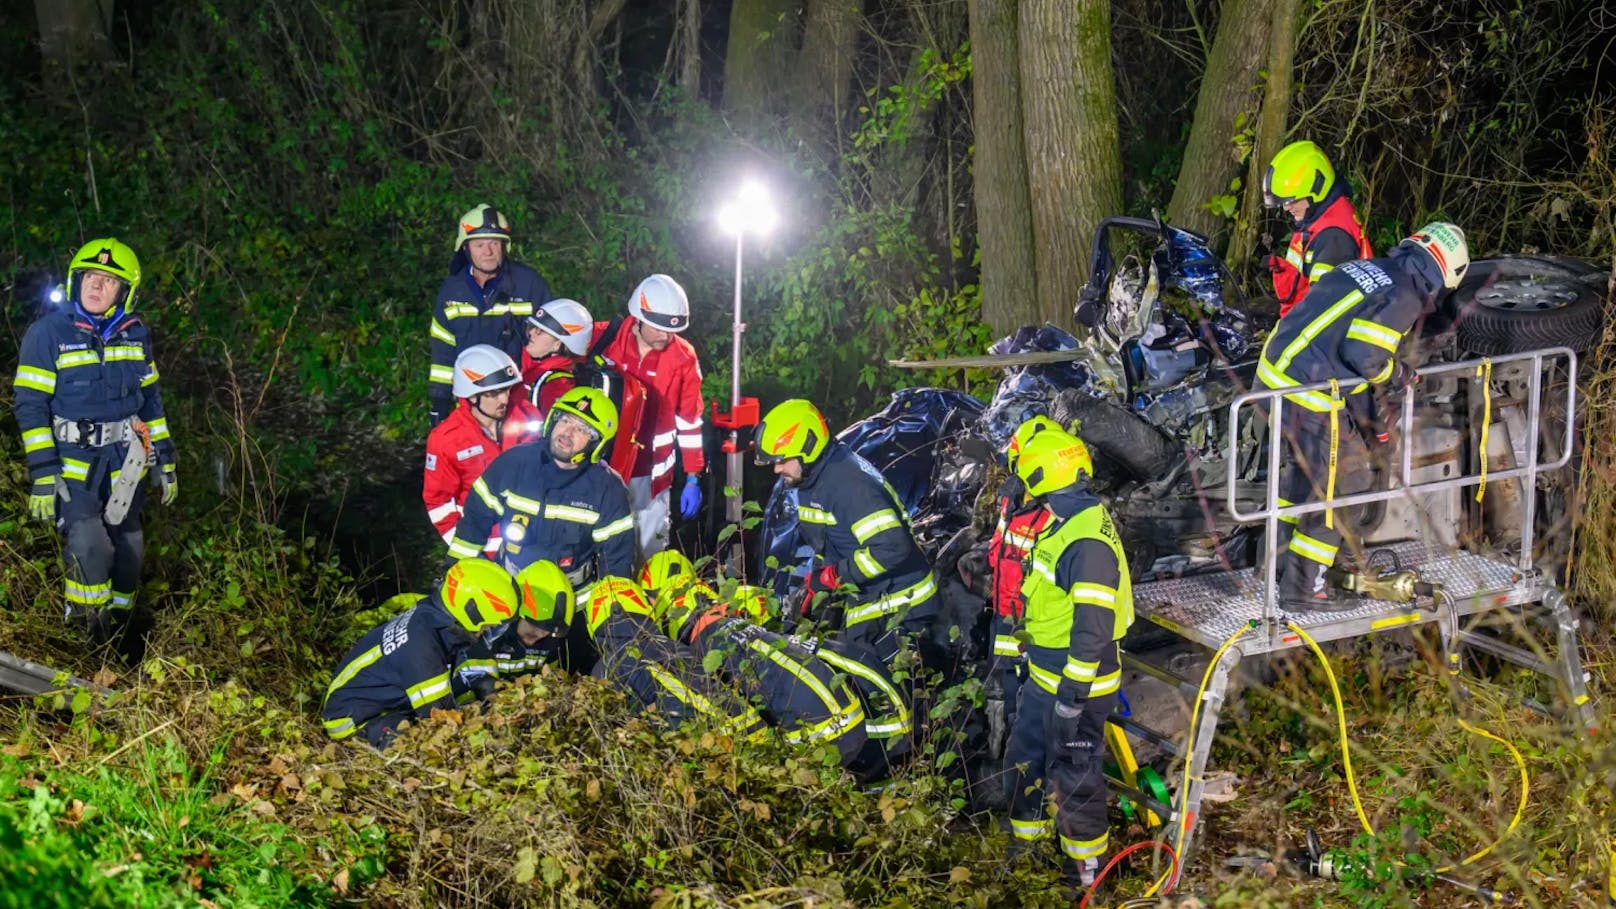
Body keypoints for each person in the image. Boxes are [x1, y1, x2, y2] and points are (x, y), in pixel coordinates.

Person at [1257, 222, 1470, 610]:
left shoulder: (1367, 269)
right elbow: (1364, 356)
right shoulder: (1406, 294)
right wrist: (1398, 375)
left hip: (1275, 376)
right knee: (1345, 483)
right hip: (1311, 390)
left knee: (1305, 479)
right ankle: (1305, 590)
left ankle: (1275, 568)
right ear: (1445, 276)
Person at [12, 238, 177, 643]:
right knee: (90, 545)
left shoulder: (135, 334)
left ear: (125, 292)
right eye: (89, 276)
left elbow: (150, 400)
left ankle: (122, 631)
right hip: (73, 464)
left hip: (126, 462)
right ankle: (86, 633)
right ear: (76, 281)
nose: (96, 286)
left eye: (108, 280)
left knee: (129, 549)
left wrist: (165, 460)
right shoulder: (48, 333)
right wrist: (45, 473)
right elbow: (30, 407)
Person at [1002, 428, 1134, 889]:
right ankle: (1026, 852)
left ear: (1038, 477)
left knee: (1075, 778)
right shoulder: (1067, 519)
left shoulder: (1085, 544)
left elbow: (1093, 631)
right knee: (1026, 761)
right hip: (1046, 678)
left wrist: (1072, 699)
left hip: (1076, 687)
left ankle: (1085, 876)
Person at [752, 398, 941, 664]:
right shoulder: (813, 479)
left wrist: (833, 577)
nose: (777, 468)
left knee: (886, 697)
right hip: (873, 603)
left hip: (901, 608)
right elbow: (829, 543)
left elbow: (893, 548)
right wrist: (817, 584)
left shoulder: (850, 486)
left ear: (807, 447)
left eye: (782, 460)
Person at [448, 386, 635, 598]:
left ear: (597, 444)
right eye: (565, 420)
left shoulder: (608, 490)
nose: (567, 432)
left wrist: (614, 615)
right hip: (510, 591)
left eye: (582, 429)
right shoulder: (512, 464)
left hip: (576, 599)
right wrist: (455, 577)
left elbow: (617, 562)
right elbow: (473, 524)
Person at [321, 559, 521, 749]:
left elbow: (462, 655)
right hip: (354, 720)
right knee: (415, 742)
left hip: (377, 701)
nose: (487, 630)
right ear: (471, 609)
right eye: (488, 624)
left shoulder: (430, 614)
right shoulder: (422, 648)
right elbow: (441, 718)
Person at [663, 589, 870, 770]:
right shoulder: (742, 627)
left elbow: (736, 709)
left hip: (819, 732)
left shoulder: (706, 648)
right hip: (852, 714)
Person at [590, 274, 706, 557]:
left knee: (649, 552)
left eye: (672, 330)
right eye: (659, 328)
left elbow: (690, 421)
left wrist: (693, 477)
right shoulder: (605, 338)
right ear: (638, 317)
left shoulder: (683, 357)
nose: (666, 336)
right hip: (600, 464)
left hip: (651, 476)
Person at [583, 577, 767, 738]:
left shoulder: (603, 670)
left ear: (592, 626)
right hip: (742, 733)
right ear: (647, 609)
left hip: (701, 745)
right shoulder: (671, 646)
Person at [428, 204, 552, 427]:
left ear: (505, 247)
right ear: (465, 248)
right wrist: (439, 403)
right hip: (470, 406)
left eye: (495, 243)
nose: (488, 251)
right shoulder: (451, 292)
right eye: (479, 244)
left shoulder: (529, 285)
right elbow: (442, 356)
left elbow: (552, 344)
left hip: (517, 406)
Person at [985, 416, 1060, 738]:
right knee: (999, 679)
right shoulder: (1012, 497)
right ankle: (996, 743)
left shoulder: (1053, 512)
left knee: (1027, 691)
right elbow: (1001, 546)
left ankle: (1021, 752)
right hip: (1004, 610)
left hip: (1032, 620)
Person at [422, 345, 543, 545]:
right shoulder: (446, 439)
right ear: (471, 395)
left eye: (506, 390)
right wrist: (464, 546)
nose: (504, 399)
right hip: (482, 546)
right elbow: (438, 503)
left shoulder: (528, 416)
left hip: (533, 538)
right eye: (494, 394)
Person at [1263, 140, 1375, 318]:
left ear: (1317, 188)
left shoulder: (1333, 238)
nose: (1286, 208)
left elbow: (1321, 312)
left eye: (1291, 200)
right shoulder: (1320, 216)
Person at [454, 559, 577, 701]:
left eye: (550, 630)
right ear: (523, 613)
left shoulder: (550, 643)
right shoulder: (490, 632)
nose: (545, 634)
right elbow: (476, 684)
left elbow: (551, 682)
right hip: (474, 707)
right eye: (539, 627)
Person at [519, 298, 594, 395]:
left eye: (540, 331)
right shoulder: (521, 364)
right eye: (533, 327)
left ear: (558, 344)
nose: (531, 332)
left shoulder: (557, 387)